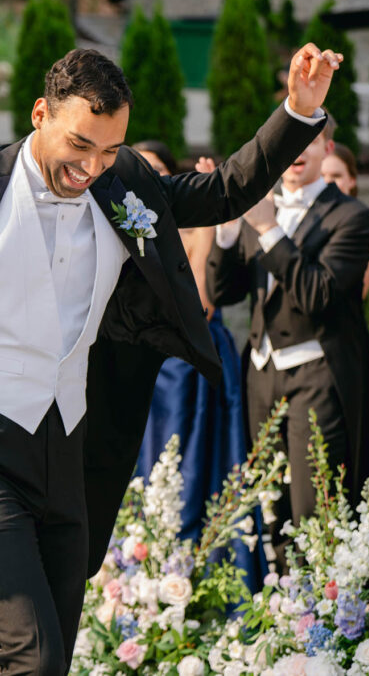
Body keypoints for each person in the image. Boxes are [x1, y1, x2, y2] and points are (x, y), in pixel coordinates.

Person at [0, 44, 341, 674]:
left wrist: (298, 110)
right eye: (80, 145)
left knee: (51, 659)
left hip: (71, 453)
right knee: (33, 659)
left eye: (108, 150)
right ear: (40, 113)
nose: (93, 166)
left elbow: (225, 190)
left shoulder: (126, 183)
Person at [207, 114, 369, 572]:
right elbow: (223, 293)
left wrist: (269, 230)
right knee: (271, 502)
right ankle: (284, 611)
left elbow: (318, 294)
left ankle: (323, 619)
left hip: (317, 375)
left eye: (311, 140)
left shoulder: (354, 217)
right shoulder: (260, 208)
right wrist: (226, 232)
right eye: (290, 143)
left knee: (314, 503)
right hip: (261, 374)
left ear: (327, 148)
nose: (298, 151)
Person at [131, 143, 268, 591]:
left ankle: (191, 578)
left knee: (190, 474)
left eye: (155, 169)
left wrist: (207, 227)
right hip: (136, 364)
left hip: (187, 365)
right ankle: (136, 579)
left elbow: (203, 303)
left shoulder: (190, 225)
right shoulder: (120, 224)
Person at [323, 142, 369, 299]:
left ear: (352, 180)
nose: (328, 182)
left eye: (336, 176)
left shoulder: (364, 225)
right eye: (322, 175)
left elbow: (360, 292)